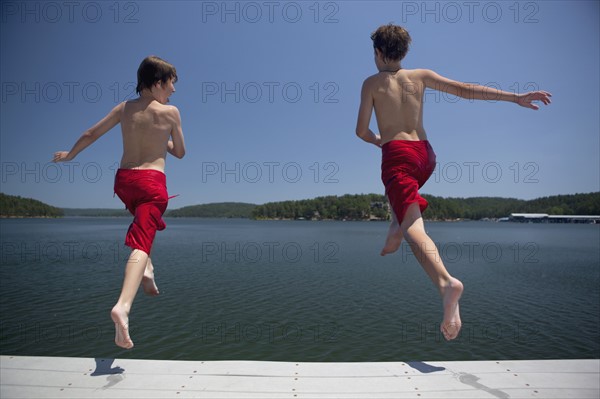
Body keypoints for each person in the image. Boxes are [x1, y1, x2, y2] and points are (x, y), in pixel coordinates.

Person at [355, 24, 551, 341]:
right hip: (426, 156)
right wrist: (515, 96)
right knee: (403, 199)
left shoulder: (371, 84)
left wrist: (381, 141)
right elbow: (464, 89)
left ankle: (446, 282)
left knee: (413, 228)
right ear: (405, 52)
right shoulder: (421, 76)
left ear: (377, 52)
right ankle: (396, 226)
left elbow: (361, 131)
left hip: (398, 155)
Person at [53, 56, 186, 349]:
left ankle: (148, 270)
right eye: (172, 82)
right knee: (142, 242)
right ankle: (123, 307)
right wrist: (162, 136)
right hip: (152, 183)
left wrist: (71, 155)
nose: (174, 90)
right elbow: (180, 152)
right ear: (158, 82)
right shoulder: (171, 112)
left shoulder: (123, 108)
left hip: (125, 182)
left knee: (142, 229)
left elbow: (91, 133)